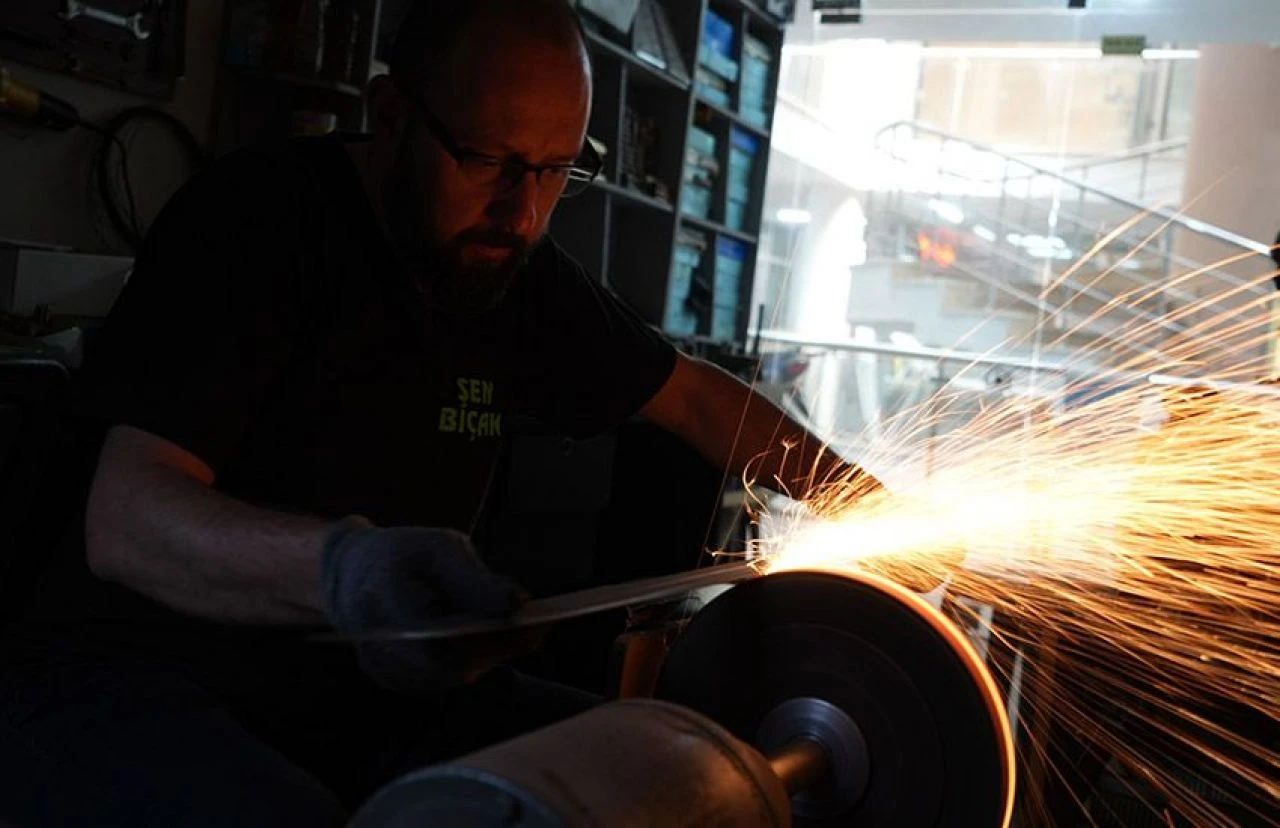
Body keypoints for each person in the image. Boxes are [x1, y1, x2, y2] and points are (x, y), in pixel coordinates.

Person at [0, 2, 879, 825]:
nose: (523, 211)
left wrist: (864, 503)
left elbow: (690, 396)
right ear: (390, 114)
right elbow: (124, 522)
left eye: (558, 170)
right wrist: (342, 570)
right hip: (133, 673)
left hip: (361, 685)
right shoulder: (255, 224)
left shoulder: (510, 268)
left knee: (661, 772)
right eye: (489, 161)